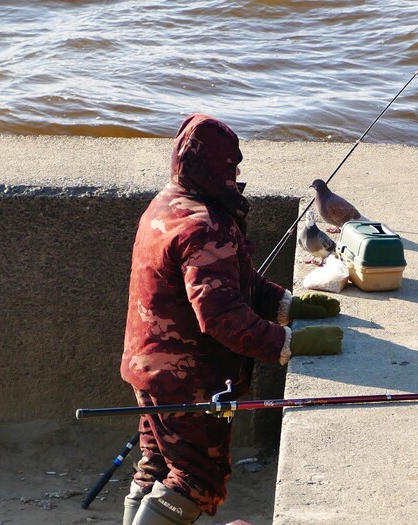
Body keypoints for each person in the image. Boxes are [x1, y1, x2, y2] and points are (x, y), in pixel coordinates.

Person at [120, 113, 343, 525]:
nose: (237, 174)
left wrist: (285, 304)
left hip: (148, 370)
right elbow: (221, 315)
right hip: (189, 381)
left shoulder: (167, 203)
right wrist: (287, 343)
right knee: (196, 478)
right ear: (215, 166)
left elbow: (231, 282)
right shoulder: (205, 225)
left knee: (155, 462)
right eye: (231, 165)